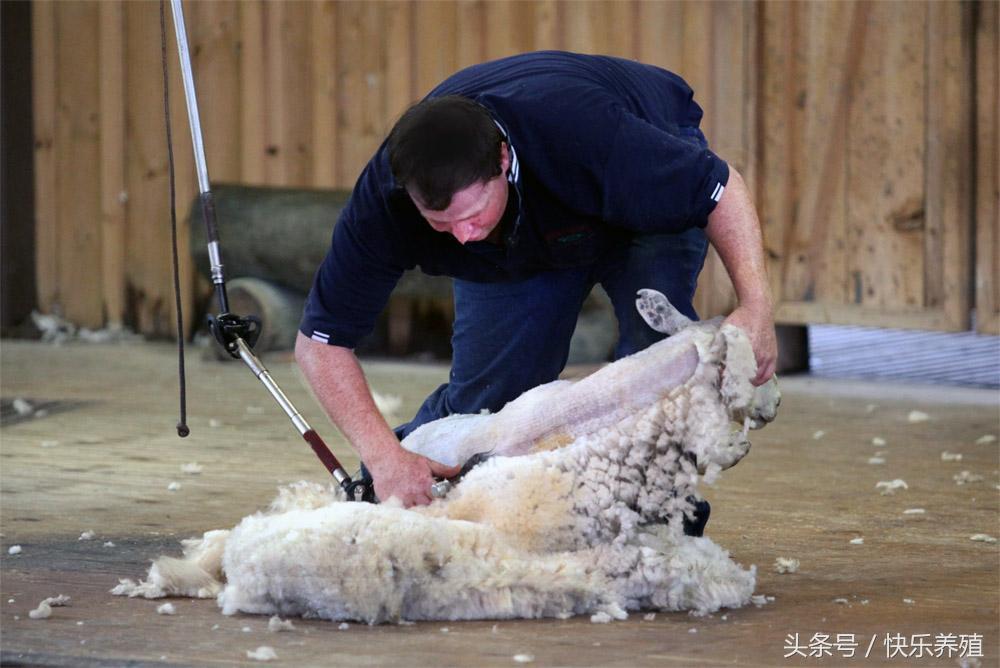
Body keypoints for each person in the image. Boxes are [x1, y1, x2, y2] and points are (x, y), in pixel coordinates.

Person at [295, 51, 776, 511]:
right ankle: (402, 487)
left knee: (654, 366)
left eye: (471, 213)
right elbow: (320, 344)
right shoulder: (383, 205)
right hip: (520, 242)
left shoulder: (588, 133)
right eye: (441, 224)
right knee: (489, 406)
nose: (462, 236)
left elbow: (721, 190)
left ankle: (651, 511)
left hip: (634, 203)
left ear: (502, 160)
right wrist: (384, 458)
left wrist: (755, 305)